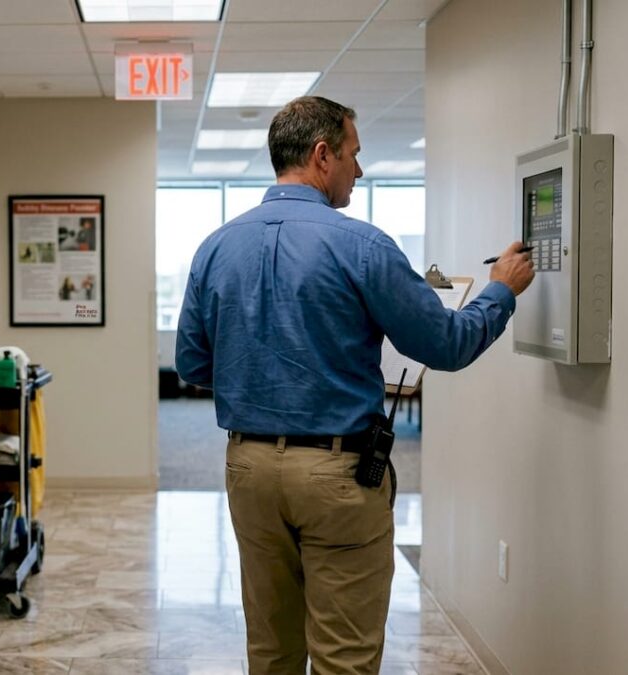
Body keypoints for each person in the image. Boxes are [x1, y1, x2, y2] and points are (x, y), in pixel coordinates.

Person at [175, 96, 534, 675]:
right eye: (353, 154)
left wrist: (262, 372)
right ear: (323, 156)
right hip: (337, 475)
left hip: (248, 471)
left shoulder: (215, 247)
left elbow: (192, 364)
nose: (359, 170)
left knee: (270, 651)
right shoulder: (363, 247)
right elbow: (446, 344)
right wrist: (501, 291)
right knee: (344, 658)